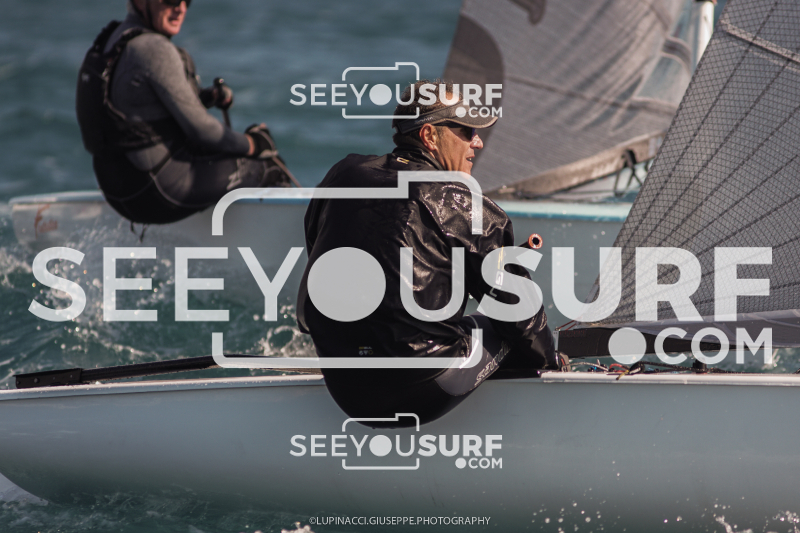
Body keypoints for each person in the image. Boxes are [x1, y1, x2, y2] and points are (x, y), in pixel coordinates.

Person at [297, 80, 560, 428]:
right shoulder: (462, 201)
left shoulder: (341, 176)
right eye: (467, 131)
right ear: (429, 136)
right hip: (418, 392)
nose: (478, 142)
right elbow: (520, 316)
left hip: (345, 389)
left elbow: (318, 250)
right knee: (510, 331)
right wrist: (554, 366)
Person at [76, 0, 291, 225]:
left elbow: (140, 109)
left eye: (186, 0)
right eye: (170, 0)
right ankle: (291, 239)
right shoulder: (154, 47)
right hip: (157, 191)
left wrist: (207, 97)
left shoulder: (111, 40)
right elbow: (203, 131)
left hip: (117, 190)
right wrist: (254, 143)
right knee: (268, 166)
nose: (180, 8)